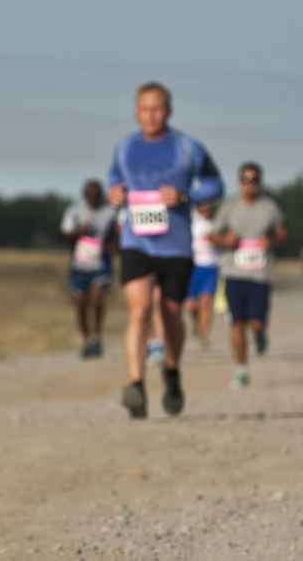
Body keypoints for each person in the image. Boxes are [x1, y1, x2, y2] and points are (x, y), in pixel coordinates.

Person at [108, 81, 223, 419]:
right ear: (136, 111)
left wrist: (187, 197)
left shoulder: (188, 147)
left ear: (169, 112)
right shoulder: (125, 147)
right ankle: (136, 384)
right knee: (140, 309)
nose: (151, 115)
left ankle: (171, 372)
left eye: (157, 108)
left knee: (171, 313)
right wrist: (114, 192)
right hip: (136, 241)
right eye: (144, 108)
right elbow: (114, 180)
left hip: (175, 245)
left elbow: (216, 185)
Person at [210, 162, 286, 388]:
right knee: (237, 324)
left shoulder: (270, 208)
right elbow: (212, 235)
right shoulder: (229, 206)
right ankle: (241, 369)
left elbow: (282, 233)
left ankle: (260, 334)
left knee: (256, 323)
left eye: (254, 180)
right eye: (245, 180)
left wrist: (270, 241)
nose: (249, 185)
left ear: (260, 182)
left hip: (260, 275)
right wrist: (226, 241)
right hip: (234, 272)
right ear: (239, 182)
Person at [60, 179, 118, 358]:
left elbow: (117, 234)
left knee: (97, 299)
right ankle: (86, 339)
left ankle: (97, 336)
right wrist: (79, 232)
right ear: (84, 195)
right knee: (80, 304)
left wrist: (113, 246)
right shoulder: (74, 211)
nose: (93, 198)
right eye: (90, 195)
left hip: (101, 265)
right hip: (79, 265)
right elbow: (65, 233)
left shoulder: (109, 212)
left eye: (96, 195)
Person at [184, 202, 221, 350]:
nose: (206, 208)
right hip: (192, 267)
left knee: (207, 302)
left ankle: (204, 335)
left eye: (209, 206)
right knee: (192, 305)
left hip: (211, 267)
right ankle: (196, 324)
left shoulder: (217, 222)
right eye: (203, 205)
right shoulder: (190, 220)